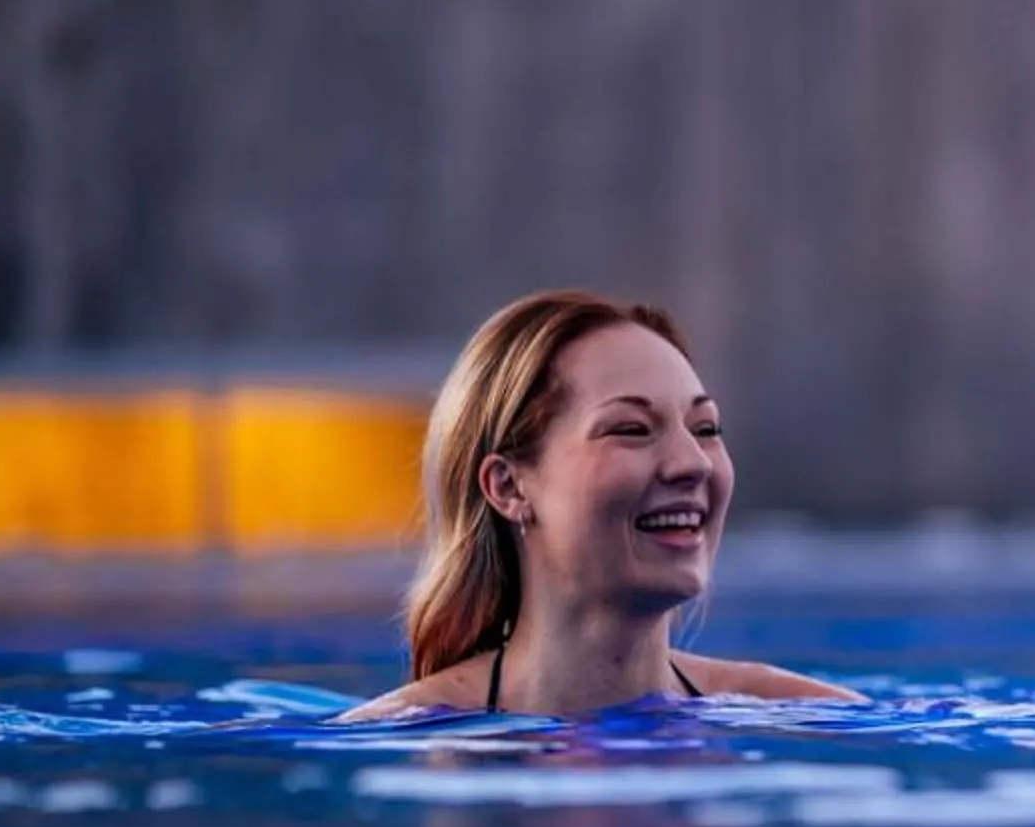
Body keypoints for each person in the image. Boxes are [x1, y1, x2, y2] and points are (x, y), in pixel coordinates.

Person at [340, 291, 860, 719]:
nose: (693, 463)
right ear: (509, 487)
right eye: (631, 430)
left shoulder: (805, 716)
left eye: (705, 429)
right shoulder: (411, 735)